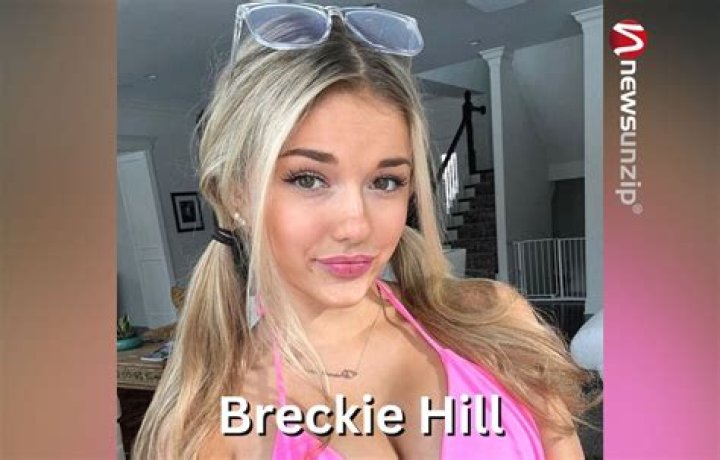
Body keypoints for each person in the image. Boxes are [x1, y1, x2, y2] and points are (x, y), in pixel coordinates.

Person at [134, 3, 594, 459]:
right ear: (236, 195)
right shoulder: (213, 424)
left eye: (385, 182)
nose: (356, 226)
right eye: (308, 179)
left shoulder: (492, 320)